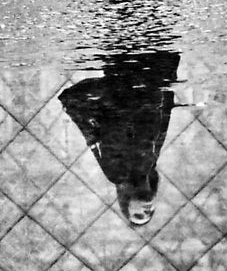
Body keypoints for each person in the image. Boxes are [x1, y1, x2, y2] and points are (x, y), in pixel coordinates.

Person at [59, 50, 181, 227]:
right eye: (151, 213)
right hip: (146, 82)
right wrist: (167, 85)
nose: (147, 210)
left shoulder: (117, 173)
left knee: (126, 37)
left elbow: (92, 138)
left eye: (139, 215)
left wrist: (77, 106)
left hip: (126, 84)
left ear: (126, 203)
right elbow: (162, 124)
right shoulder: (148, 166)